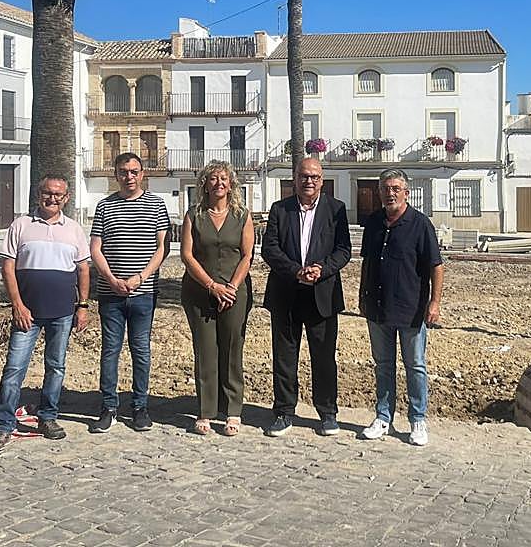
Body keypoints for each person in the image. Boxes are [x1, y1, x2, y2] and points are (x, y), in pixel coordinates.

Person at [0, 176, 90, 453]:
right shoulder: (20, 226)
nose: (52, 198)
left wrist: (83, 306)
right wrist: (17, 304)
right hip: (26, 313)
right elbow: (8, 268)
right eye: (47, 193)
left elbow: (83, 270)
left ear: (66, 198)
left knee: (56, 367)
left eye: (58, 194)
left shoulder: (75, 230)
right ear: (38, 194)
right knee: (14, 368)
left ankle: (48, 417)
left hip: (63, 312)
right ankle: (4, 426)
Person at [260, 157, 352, 437]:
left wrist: (321, 269)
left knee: (323, 358)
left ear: (322, 180)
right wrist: (296, 271)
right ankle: (284, 412)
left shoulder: (336, 209)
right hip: (286, 293)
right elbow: (270, 249)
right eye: (303, 176)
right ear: (295, 179)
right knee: (284, 357)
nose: (309, 181)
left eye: (314, 177)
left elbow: (343, 250)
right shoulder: (280, 209)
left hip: (322, 295)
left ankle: (327, 413)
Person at [357, 167, 443, 447]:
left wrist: (434, 303)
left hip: (411, 308)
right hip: (378, 308)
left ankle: (418, 420)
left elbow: (436, 266)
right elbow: (367, 262)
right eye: (385, 189)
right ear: (380, 192)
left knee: (415, 366)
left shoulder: (420, 224)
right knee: (383, 365)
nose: (390, 193)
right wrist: (362, 297)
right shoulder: (373, 223)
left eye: (395, 188)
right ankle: (383, 417)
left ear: (406, 192)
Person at [89, 152, 170, 432]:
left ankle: (140, 407)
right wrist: (110, 279)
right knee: (110, 350)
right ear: (116, 175)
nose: (129, 176)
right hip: (110, 293)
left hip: (143, 293)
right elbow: (95, 248)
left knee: (141, 350)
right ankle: (108, 407)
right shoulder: (104, 206)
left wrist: (141, 277)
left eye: (134, 171)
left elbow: (162, 248)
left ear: (142, 173)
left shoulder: (157, 205)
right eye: (124, 171)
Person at [180, 161, 255, 436]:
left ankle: (233, 411)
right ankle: (206, 411)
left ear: (231, 183)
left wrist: (231, 287)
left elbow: (247, 254)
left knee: (233, 349)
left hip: (235, 294)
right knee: (206, 351)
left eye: (224, 178)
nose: (219, 183)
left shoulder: (242, 215)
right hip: (200, 292)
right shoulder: (194, 215)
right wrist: (213, 286)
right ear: (205, 184)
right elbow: (187, 255)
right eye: (213, 178)